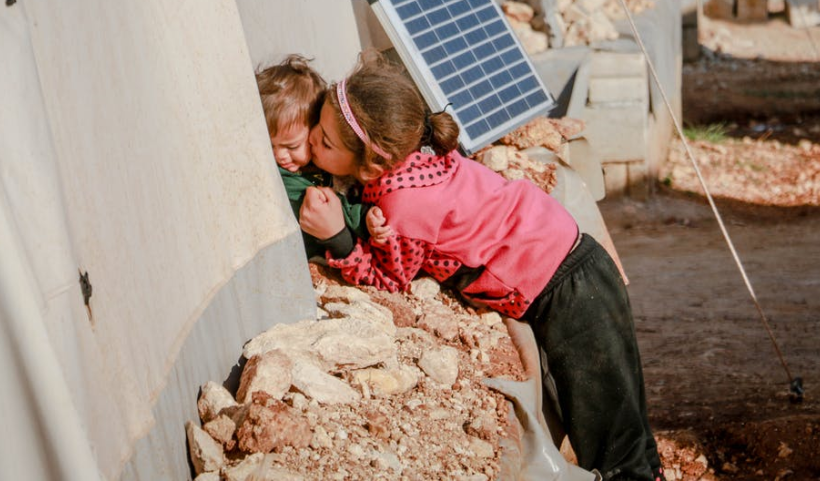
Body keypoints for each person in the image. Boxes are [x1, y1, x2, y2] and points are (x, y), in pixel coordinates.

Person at [299, 52, 664, 481]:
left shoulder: (404, 205)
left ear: (374, 163)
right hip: (575, 261)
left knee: (612, 437)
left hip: (567, 294)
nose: (310, 146)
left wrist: (337, 238)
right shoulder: (421, 158)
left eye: (323, 142)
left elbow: (389, 280)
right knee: (623, 420)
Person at [255, 54, 390, 260]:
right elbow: (333, 205)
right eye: (270, 145)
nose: (278, 155)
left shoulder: (320, 167)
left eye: (291, 146)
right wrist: (362, 219)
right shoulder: (288, 181)